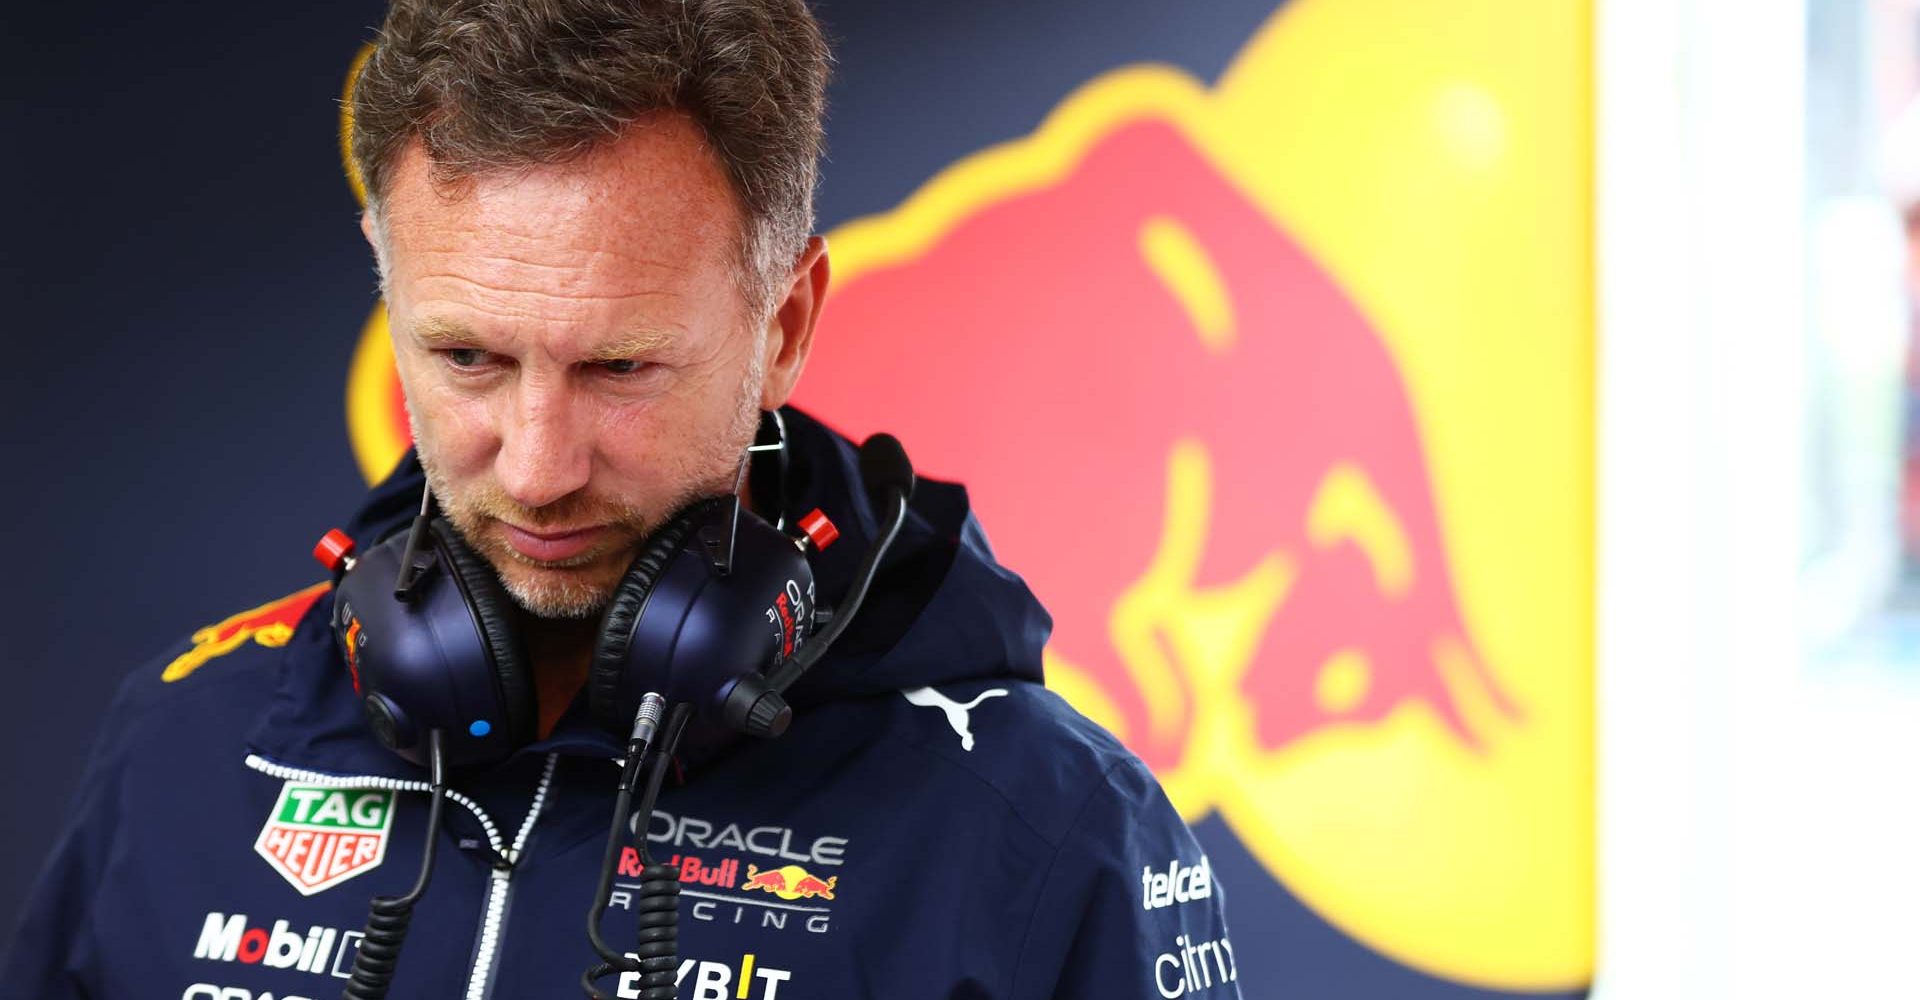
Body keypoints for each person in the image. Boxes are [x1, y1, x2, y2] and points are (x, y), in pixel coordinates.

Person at [1, 1, 1243, 997]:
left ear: (784, 325)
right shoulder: (188, 744)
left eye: (620, 367)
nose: (539, 466)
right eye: (468, 358)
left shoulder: (1042, 830)